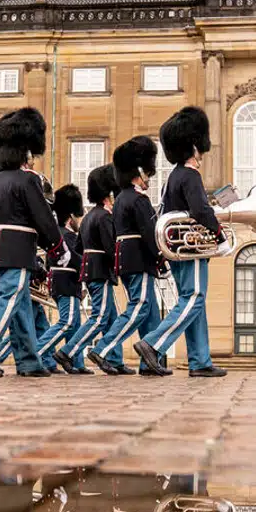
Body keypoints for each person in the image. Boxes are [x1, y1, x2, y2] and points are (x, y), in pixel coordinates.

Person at [0, 108, 63, 377]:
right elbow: (44, 219)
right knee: (8, 301)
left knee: (21, 307)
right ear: (26, 152)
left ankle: (28, 360)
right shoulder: (28, 180)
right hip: (18, 250)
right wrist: (58, 248)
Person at [135, 106, 226, 378]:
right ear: (194, 146)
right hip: (191, 252)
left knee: (193, 301)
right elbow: (199, 211)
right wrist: (218, 233)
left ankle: (199, 360)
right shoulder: (190, 175)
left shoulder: (173, 177)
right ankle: (154, 343)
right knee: (194, 298)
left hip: (177, 251)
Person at [89, 137, 164, 376]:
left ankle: (151, 361)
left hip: (127, 259)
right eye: (147, 174)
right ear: (139, 171)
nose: (148, 179)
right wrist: (161, 257)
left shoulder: (121, 198)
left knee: (150, 311)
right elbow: (149, 234)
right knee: (140, 307)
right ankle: (103, 347)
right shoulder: (139, 199)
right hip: (139, 258)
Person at [59, 164, 122, 374]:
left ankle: (114, 358)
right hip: (100, 271)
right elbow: (110, 247)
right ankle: (68, 351)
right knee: (100, 317)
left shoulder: (87, 218)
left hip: (91, 270)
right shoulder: (104, 217)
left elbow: (78, 248)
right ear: (109, 195)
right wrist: (122, 266)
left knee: (112, 317)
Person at [36, 184, 87, 370]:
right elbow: (78, 262)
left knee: (74, 324)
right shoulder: (69, 237)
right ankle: (37, 351)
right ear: (72, 216)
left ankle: (76, 363)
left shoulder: (57, 235)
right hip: (67, 284)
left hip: (62, 284)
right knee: (67, 322)